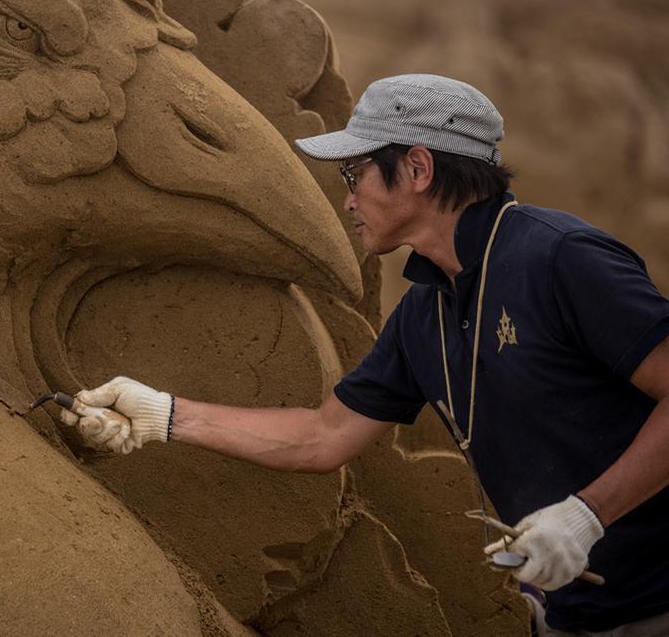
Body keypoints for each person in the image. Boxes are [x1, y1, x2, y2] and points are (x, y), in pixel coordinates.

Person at [60, 74, 669, 635]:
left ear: (419, 168)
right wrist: (162, 415)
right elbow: (323, 437)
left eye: (355, 176)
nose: (347, 199)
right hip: (572, 617)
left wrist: (588, 515)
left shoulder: (563, 259)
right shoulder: (422, 313)